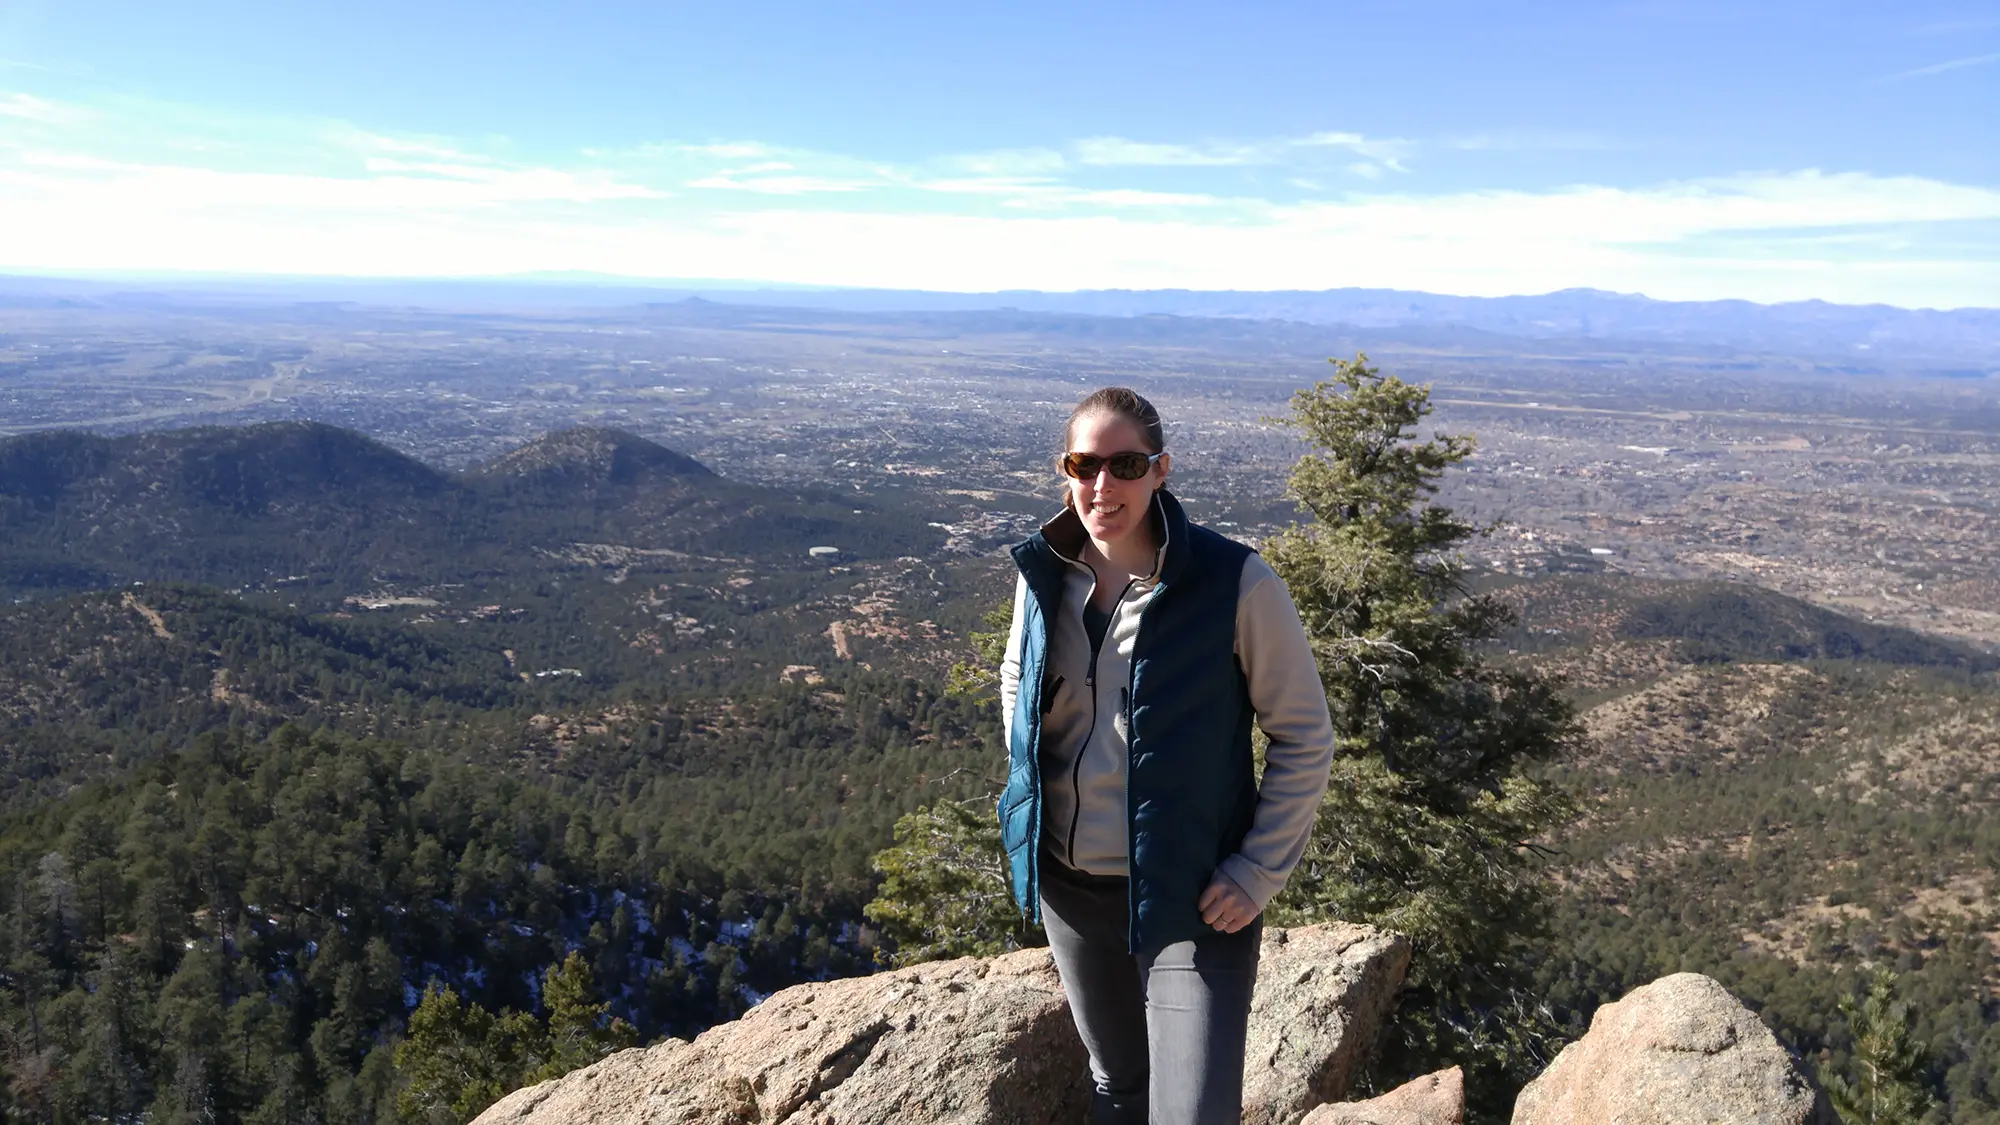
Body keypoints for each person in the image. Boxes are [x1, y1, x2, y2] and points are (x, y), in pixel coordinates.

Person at [997, 386, 1337, 1125]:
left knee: (1193, 1113)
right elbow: (1017, 677)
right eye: (1084, 463)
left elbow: (1305, 733)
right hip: (1073, 890)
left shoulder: (1234, 582)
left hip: (1192, 897)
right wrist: (1032, 789)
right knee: (1118, 1084)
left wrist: (1256, 870)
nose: (1101, 485)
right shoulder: (1045, 574)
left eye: (1125, 463)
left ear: (1161, 470)